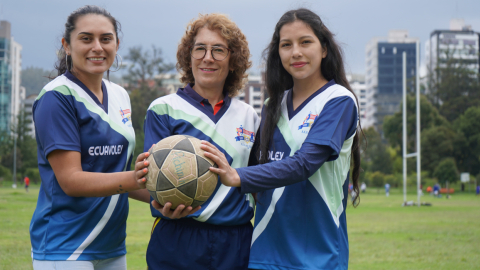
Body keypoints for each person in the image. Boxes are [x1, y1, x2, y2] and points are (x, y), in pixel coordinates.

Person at [201, 8, 362, 270]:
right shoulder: (271, 105)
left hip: (318, 256)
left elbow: (304, 164)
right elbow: (252, 168)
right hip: (264, 251)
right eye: (286, 45)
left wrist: (238, 176)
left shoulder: (339, 101)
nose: (295, 52)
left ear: (324, 49)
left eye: (305, 42)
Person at [29, 6, 150, 270]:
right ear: (67, 46)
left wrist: (163, 195)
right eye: (86, 39)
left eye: (106, 39)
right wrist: (135, 177)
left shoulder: (120, 95)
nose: (97, 47)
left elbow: (116, 172)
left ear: (117, 44)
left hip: (112, 245)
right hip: (65, 247)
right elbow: (71, 181)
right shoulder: (56, 97)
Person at [143, 14, 259, 270]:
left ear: (233, 60)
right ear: (189, 56)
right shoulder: (163, 109)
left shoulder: (250, 116)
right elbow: (151, 179)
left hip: (236, 240)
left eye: (218, 50)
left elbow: (256, 181)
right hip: (178, 236)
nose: (208, 57)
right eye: (200, 49)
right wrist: (163, 202)